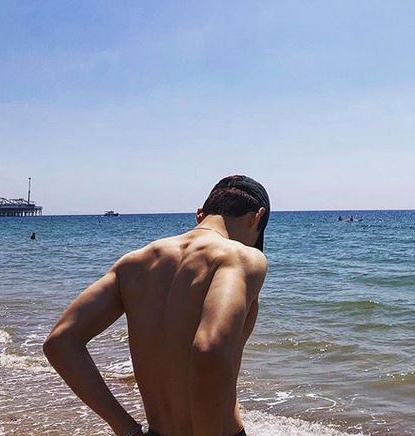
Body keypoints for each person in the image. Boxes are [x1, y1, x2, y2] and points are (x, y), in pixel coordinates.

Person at [43, 175, 270, 436]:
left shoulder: (134, 263)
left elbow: (60, 342)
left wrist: (126, 429)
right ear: (257, 217)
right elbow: (210, 348)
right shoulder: (241, 257)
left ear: (200, 214)